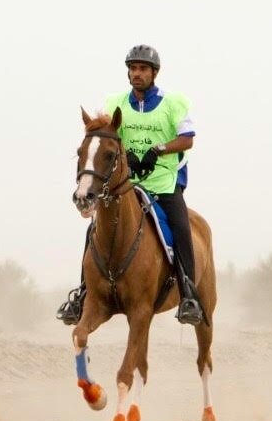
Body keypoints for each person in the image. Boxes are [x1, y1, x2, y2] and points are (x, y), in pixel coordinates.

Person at [57, 44, 204, 325]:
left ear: (154, 73)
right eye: (133, 69)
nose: (137, 74)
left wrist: (156, 150)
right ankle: (82, 295)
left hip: (163, 181)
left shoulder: (173, 103)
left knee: (181, 227)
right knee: (95, 230)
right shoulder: (116, 103)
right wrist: (126, 158)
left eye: (143, 69)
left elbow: (187, 139)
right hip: (127, 182)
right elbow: (107, 137)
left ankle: (188, 296)